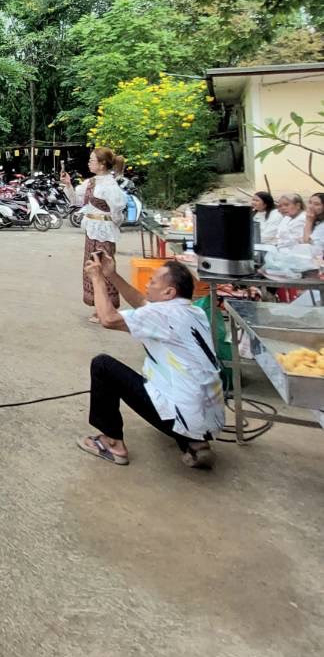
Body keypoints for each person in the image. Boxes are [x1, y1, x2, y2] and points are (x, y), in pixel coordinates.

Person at [79, 249, 224, 470]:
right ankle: (194, 443)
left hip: (182, 414)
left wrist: (97, 278)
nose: (148, 283)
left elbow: (108, 319)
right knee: (178, 388)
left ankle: (112, 443)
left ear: (168, 292)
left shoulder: (162, 315)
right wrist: (112, 275)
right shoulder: (193, 312)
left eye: (153, 282)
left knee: (103, 366)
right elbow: (142, 303)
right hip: (210, 420)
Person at [73, 147, 127, 315]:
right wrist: (68, 184)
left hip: (104, 232)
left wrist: (113, 224)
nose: (89, 163)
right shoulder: (91, 182)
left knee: (103, 269)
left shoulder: (110, 185)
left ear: (102, 164)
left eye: (92, 160)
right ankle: (99, 307)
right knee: (92, 268)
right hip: (92, 231)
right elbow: (77, 200)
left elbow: (117, 210)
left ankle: (106, 309)